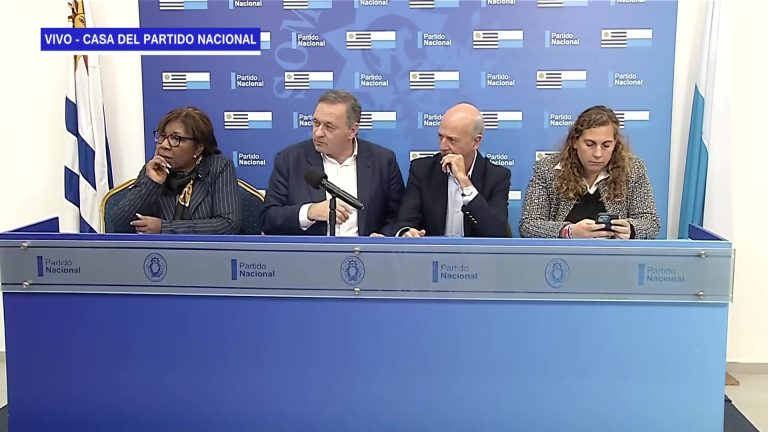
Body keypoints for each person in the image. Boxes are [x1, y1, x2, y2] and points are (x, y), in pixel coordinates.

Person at [261, 90, 405, 236]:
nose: (318, 133)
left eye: (329, 127)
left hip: (366, 250)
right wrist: (310, 212)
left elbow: (399, 217)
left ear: (352, 130)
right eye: (316, 123)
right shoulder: (290, 160)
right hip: (312, 250)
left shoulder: (383, 161)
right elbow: (268, 218)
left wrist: (383, 238)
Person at [519, 105, 660, 239]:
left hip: (615, 254)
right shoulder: (547, 169)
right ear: (575, 142)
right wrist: (569, 232)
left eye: (606, 145)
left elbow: (651, 223)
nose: (598, 154)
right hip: (564, 254)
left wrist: (631, 229)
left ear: (615, 145)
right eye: (590, 144)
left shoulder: (633, 169)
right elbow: (529, 225)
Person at [110, 106, 241, 234]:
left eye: (175, 139)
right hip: (158, 249)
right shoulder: (153, 169)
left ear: (198, 148)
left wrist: (165, 228)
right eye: (162, 137)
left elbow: (228, 224)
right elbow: (120, 226)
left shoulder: (218, 167)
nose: (164, 145)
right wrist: (152, 184)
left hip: (204, 249)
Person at [395, 103, 511, 237]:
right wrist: (406, 232)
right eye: (441, 137)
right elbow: (405, 222)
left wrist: (464, 182)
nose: (442, 146)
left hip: (475, 251)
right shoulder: (422, 171)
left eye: (452, 140)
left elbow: (496, 231)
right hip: (433, 251)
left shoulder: (497, 177)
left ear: (476, 142)